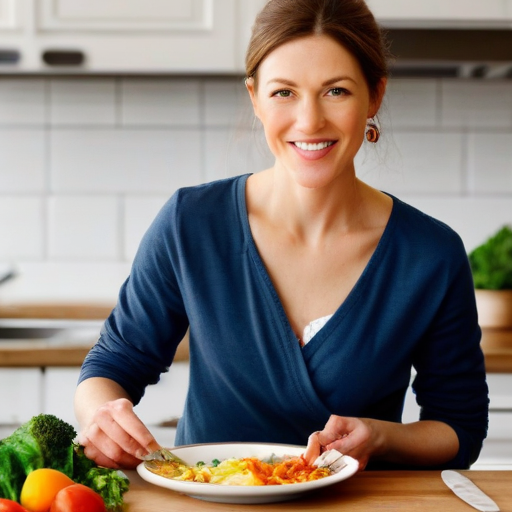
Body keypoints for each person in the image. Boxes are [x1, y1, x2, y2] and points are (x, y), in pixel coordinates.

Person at [74, 0, 489, 472]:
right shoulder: (190, 224)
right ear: (254, 97)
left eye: (335, 91)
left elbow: (461, 428)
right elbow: (112, 365)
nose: (310, 121)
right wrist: (101, 415)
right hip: (211, 507)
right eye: (284, 92)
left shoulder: (430, 254)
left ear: (374, 96)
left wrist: (382, 437)